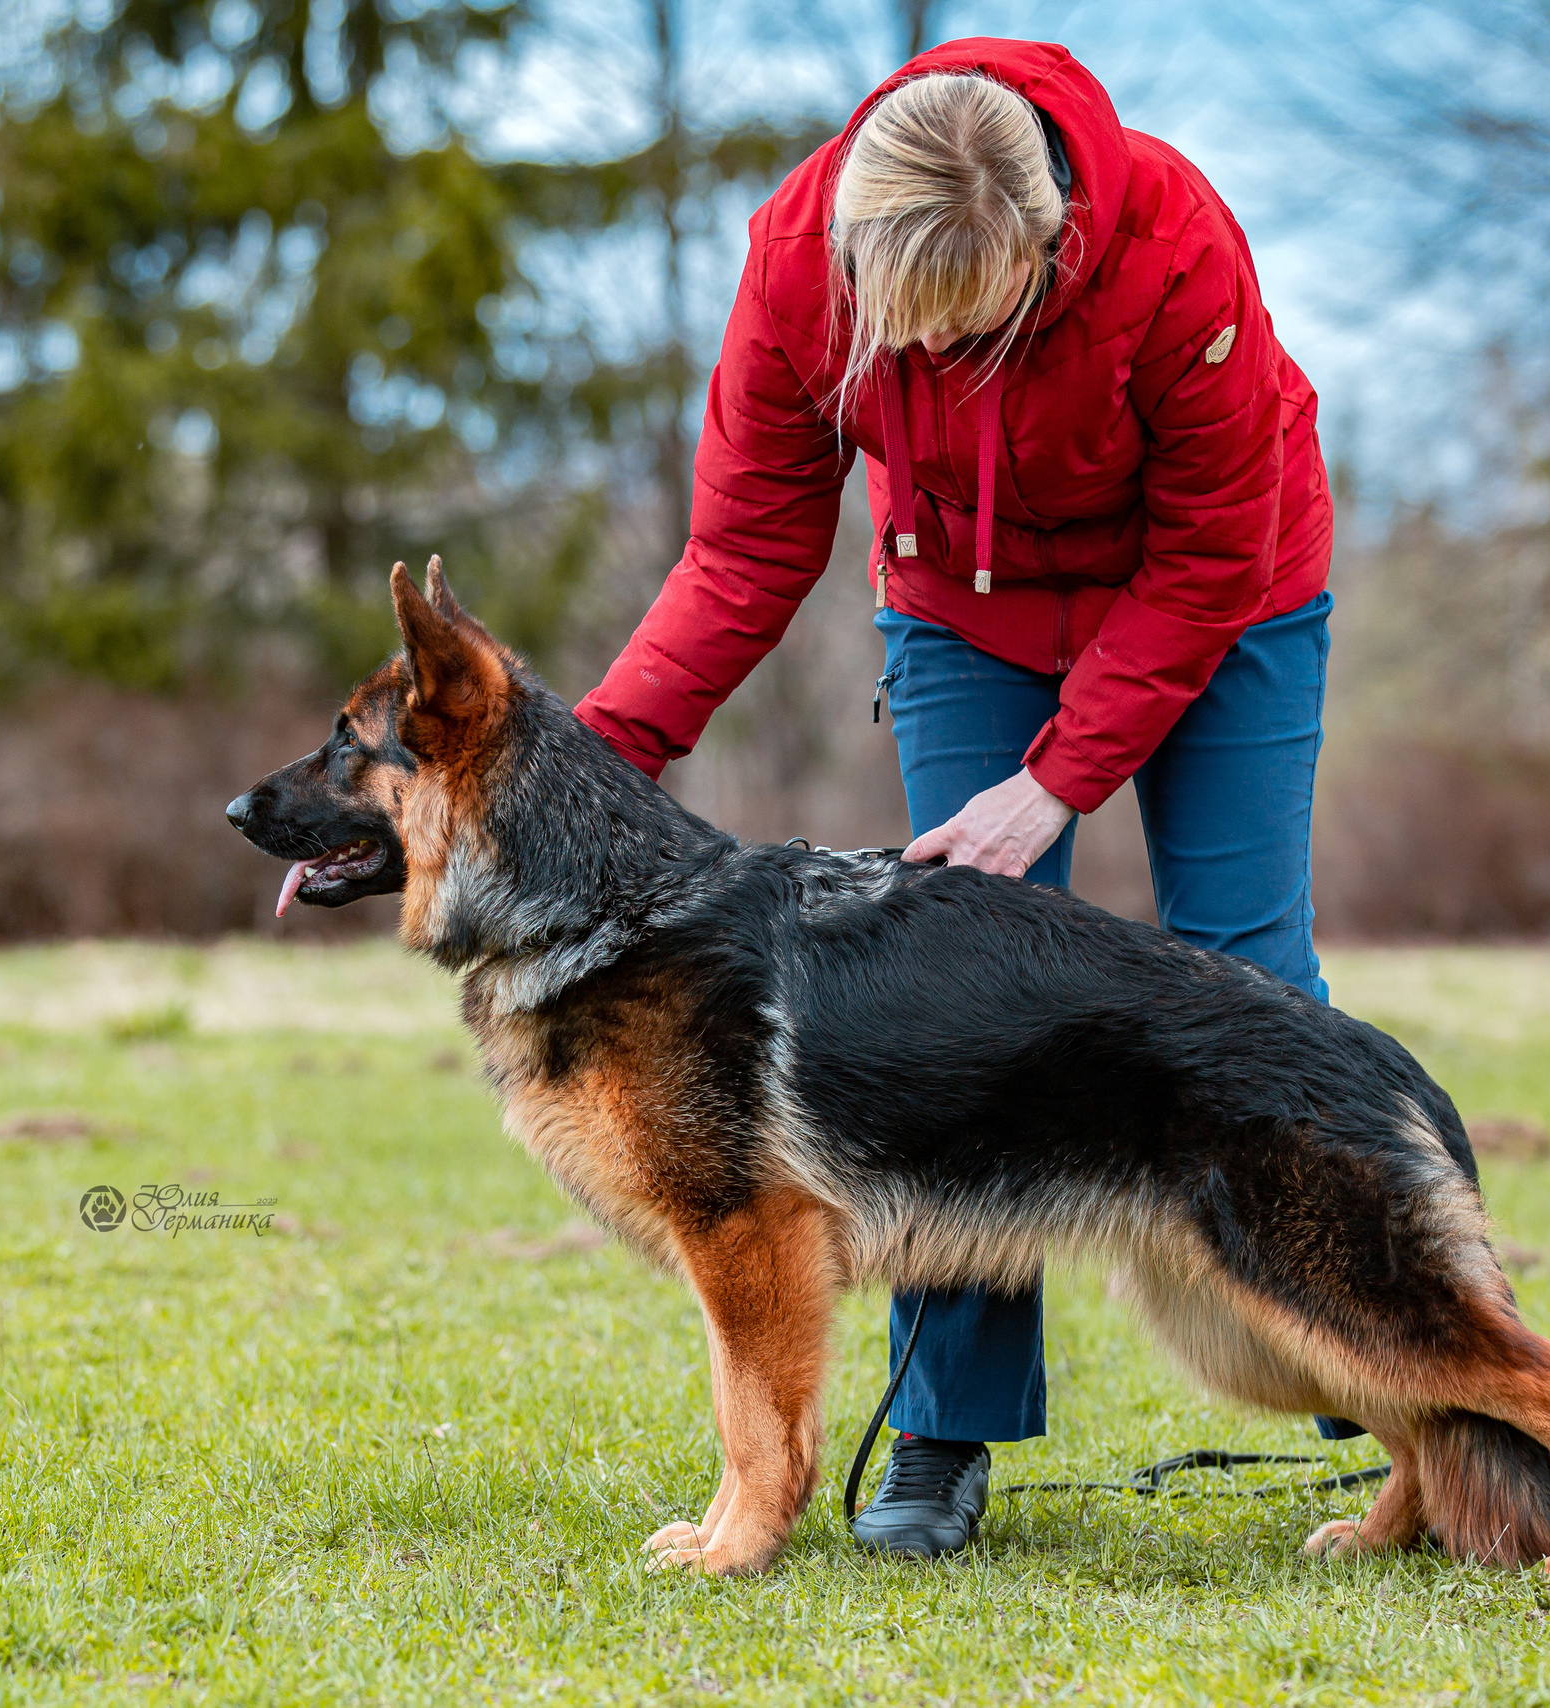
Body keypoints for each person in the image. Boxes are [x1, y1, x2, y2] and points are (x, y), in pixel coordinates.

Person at [573, 37, 1343, 1559]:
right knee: (950, 1005)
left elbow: (1210, 556)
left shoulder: (1175, 246)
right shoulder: (796, 262)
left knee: (1246, 964)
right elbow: (744, 551)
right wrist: (594, 763)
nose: (931, 360)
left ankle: (1382, 1387)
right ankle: (944, 1434)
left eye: (970, 328)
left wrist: (1056, 783)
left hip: (1227, 596)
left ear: (1049, 247)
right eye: (905, 332)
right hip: (963, 610)